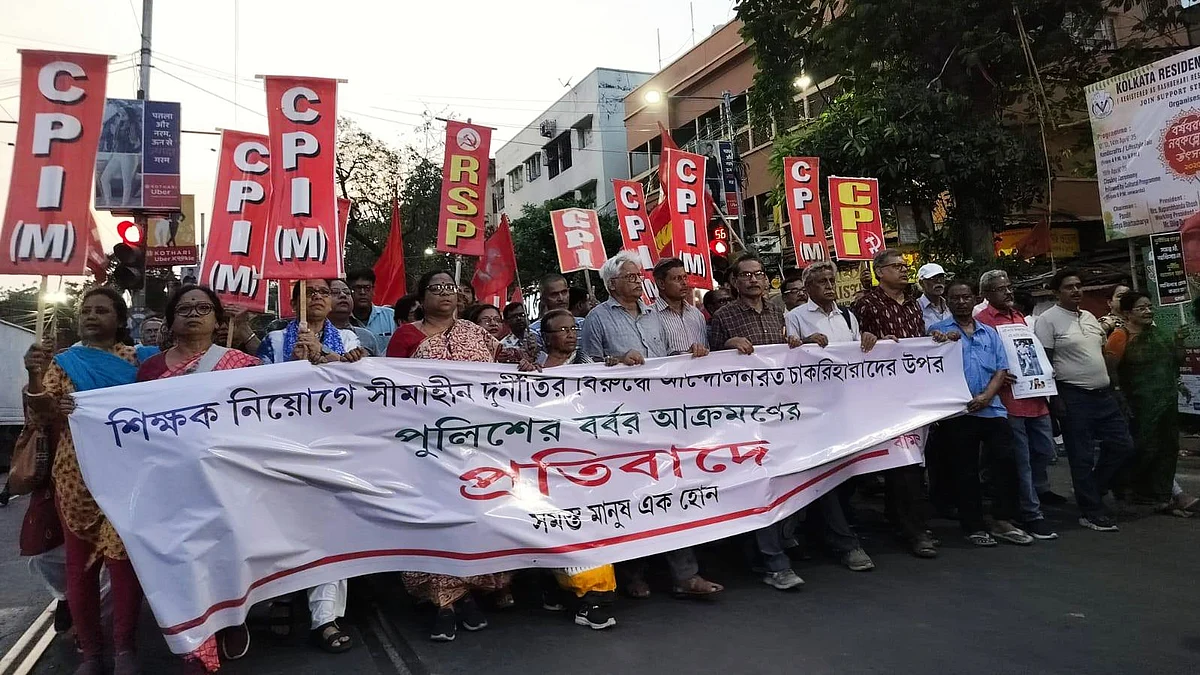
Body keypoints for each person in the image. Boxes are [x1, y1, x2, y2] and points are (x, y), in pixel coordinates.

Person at [581, 252, 723, 599]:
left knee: (671, 491)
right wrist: (615, 362)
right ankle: (633, 573)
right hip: (620, 421)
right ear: (612, 283)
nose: (637, 281)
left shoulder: (652, 317)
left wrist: (688, 357)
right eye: (630, 277)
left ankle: (685, 574)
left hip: (660, 417)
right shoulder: (596, 319)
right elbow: (584, 366)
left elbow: (663, 362)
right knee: (631, 494)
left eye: (637, 276)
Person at [384, 270, 517, 641]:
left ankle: (467, 594)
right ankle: (441, 603)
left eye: (450, 287)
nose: (445, 293)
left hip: (476, 445)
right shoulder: (406, 336)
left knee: (471, 514)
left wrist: (524, 365)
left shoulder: (477, 335)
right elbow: (389, 387)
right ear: (421, 297)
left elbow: (506, 369)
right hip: (424, 445)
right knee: (433, 519)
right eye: (435, 288)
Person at [135, 286, 261, 672]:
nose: (193, 314)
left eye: (203, 307)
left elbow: (266, 412)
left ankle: (232, 618)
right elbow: (133, 423)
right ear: (172, 320)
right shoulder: (151, 369)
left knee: (227, 557)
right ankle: (198, 645)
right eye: (184, 308)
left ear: (218, 319)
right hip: (171, 483)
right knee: (186, 563)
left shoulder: (243, 365)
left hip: (227, 481)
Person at [23, 288, 146, 675]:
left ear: (119, 319)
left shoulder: (141, 361)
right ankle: (90, 653)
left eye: (102, 310)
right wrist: (34, 375)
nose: (92, 316)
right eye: (86, 310)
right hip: (77, 477)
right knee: (81, 568)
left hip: (129, 476)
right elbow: (41, 414)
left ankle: (124, 648)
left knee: (124, 565)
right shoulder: (63, 363)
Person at [709, 254, 808, 590]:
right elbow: (705, 365)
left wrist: (797, 344)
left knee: (788, 479)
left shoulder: (781, 311)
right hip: (745, 416)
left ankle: (764, 551)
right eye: (746, 275)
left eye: (759, 274)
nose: (753, 280)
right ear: (734, 282)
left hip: (782, 411)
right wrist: (726, 345)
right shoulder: (723, 316)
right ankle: (773, 562)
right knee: (760, 483)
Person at [782, 260, 879, 571]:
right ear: (808, 288)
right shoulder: (795, 317)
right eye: (821, 281)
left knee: (847, 470)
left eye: (830, 279)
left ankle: (823, 529)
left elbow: (855, 354)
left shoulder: (847, 315)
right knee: (825, 475)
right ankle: (843, 541)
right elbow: (787, 356)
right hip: (813, 409)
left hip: (846, 405)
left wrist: (868, 340)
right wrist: (805, 346)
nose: (827, 285)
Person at [929, 280, 1034, 547]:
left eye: (966, 297)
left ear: (974, 299)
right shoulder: (937, 332)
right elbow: (931, 370)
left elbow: (1001, 368)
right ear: (949, 303)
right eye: (955, 298)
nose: (961, 302)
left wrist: (987, 396)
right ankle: (973, 525)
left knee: (1004, 462)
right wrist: (939, 344)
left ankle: (1002, 520)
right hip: (958, 413)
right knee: (964, 470)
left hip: (992, 408)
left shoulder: (989, 333)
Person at [533, 308, 618, 629]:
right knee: (550, 530)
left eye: (573, 328)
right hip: (543, 466)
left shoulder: (592, 368)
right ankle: (562, 592)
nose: (570, 334)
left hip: (585, 465)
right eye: (562, 329)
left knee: (588, 529)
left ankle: (596, 598)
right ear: (545, 337)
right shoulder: (530, 373)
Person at [1034, 269, 1136, 532]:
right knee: (1081, 456)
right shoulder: (1048, 320)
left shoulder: (1090, 317)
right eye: (1069, 287)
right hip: (1073, 395)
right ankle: (1090, 511)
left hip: (1103, 395)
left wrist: (1115, 388)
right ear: (1056, 292)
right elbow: (1044, 362)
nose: (1076, 291)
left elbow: (1101, 353)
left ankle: (1093, 489)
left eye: (1079, 286)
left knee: (1122, 446)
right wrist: (1054, 400)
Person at [851, 249, 937, 558]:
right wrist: (871, 339)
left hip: (915, 393)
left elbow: (919, 339)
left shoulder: (914, 305)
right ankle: (914, 530)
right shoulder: (865, 304)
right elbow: (853, 343)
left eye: (905, 266)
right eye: (897, 266)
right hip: (882, 396)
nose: (904, 270)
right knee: (903, 462)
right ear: (880, 272)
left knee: (913, 461)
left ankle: (901, 520)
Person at [975, 270, 1061, 540]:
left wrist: (1043, 370)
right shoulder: (982, 322)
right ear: (987, 295)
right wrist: (997, 375)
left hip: (1036, 397)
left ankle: (1027, 495)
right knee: (1021, 459)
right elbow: (980, 360)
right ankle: (1031, 513)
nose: (1008, 292)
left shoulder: (1019, 318)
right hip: (1009, 400)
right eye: (1001, 289)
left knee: (1045, 451)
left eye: (1009, 287)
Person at [1104, 291, 1187, 513]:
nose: (1148, 311)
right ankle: (1132, 490)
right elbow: (1111, 370)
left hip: (1166, 402)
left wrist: (1179, 343)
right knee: (1144, 448)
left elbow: (1175, 361)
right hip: (1138, 404)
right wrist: (1120, 396)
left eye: (1149, 307)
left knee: (1168, 447)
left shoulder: (1158, 334)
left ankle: (1161, 494)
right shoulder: (1120, 336)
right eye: (1141, 308)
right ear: (1128, 313)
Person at [258, 280, 367, 366]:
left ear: (330, 305)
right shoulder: (273, 340)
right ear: (294, 304)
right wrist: (292, 363)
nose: (318, 296)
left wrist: (322, 350)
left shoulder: (348, 338)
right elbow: (263, 382)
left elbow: (355, 375)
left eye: (324, 292)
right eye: (309, 292)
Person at [652, 257, 709, 357]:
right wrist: (685, 355)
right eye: (677, 279)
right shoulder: (650, 316)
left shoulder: (697, 314)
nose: (684, 283)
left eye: (685, 277)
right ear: (661, 284)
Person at [530, 274, 584, 348]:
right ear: (543, 299)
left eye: (564, 292)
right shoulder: (535, 331)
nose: (561, 298)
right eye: (554, 294)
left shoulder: (583, 324)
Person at [346, 269, 396, 347]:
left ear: (373, 290)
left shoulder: (391, 316)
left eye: (367, 288)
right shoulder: (341, 320)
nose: (362, 292)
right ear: (349, 291)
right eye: (358, 288)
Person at [330, 279, 381, 356]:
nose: (343, 295)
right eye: (335, 292)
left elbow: (379, 366)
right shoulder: (313, 337)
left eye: (347, 292)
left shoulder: (366, 336)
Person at [917, 263, 949, 331]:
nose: (939, 281)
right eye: (933, 278)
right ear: (921, 283)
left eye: (941, 277)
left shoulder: (950, 306)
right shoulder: (916, 308)